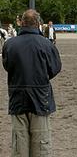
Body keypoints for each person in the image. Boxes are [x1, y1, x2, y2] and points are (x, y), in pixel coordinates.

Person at [2, 9, 62, 157]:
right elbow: (55, 68)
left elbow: (7, 66)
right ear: (38, 23)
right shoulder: (46, 45)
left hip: (17, 97)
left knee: (19, 144)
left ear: (22, 23)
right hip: (41, 98)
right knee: (41, 144)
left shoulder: (10, 44)